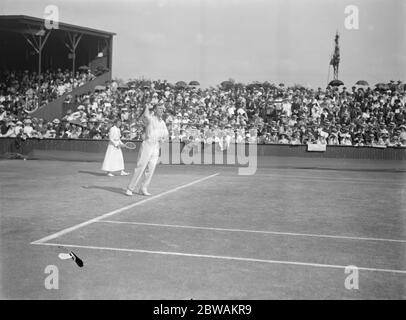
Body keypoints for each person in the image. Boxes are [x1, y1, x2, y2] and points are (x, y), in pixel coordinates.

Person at [125, 102, 168, 196]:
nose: (162, 110)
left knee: (151, 169)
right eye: (160, 108)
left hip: (156, 146)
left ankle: (143, 188)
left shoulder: (163, 122)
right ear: (155, 109)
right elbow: (145, 115)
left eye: (163, 109)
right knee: (141, 167)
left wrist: (163, 139)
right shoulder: (150, 118)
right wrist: (147, 107)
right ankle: (130, 188)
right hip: (148, 144)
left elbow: (166, 134)